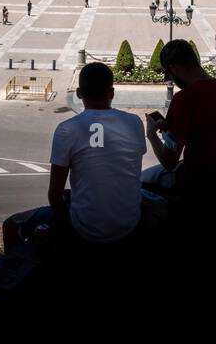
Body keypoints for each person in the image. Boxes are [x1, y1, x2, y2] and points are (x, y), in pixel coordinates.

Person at [42, 62, 147, 246]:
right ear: (112, 93)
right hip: (129, 222)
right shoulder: (134, 123)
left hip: (85, 227)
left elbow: (54, 195)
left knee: (13, 224)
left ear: (79, 93)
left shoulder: (67, 129)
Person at [144, 39, 216, 212]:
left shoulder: (185, 99)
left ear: (172, 68)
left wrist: (151, 134)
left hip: (201, 191)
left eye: (169, 74)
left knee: (143, 180)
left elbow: (169, 161)